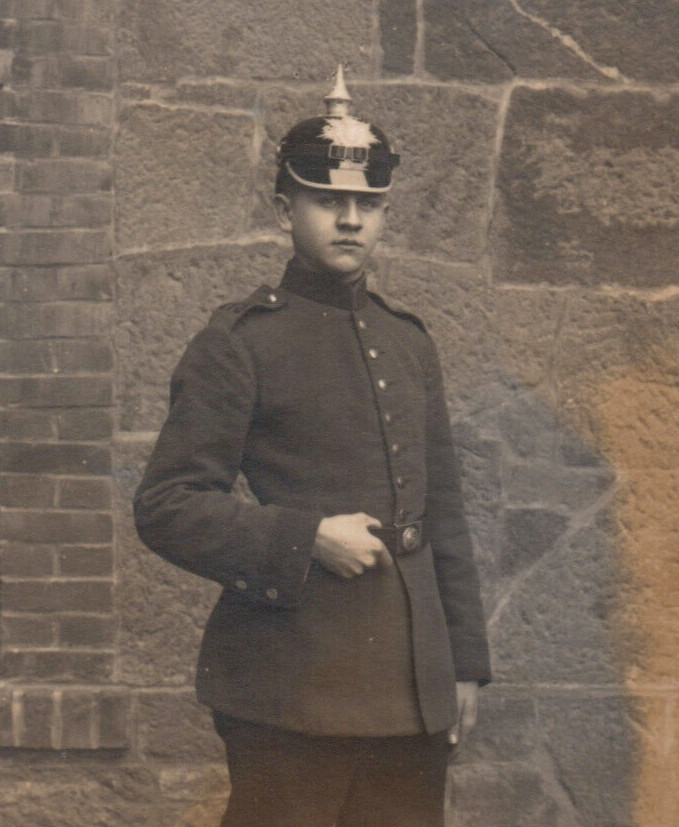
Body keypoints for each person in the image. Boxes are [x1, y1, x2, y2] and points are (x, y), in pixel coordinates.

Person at [134, 66, 491, 827]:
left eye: (367, 203)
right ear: (285, 208)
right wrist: (304, 536)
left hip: (408, 689)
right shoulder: (239, 342)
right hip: (291, 686)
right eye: (328, 200)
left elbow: (446, 517)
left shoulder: (407, 342)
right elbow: (166, 505)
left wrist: (462, 664)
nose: (350, 219)